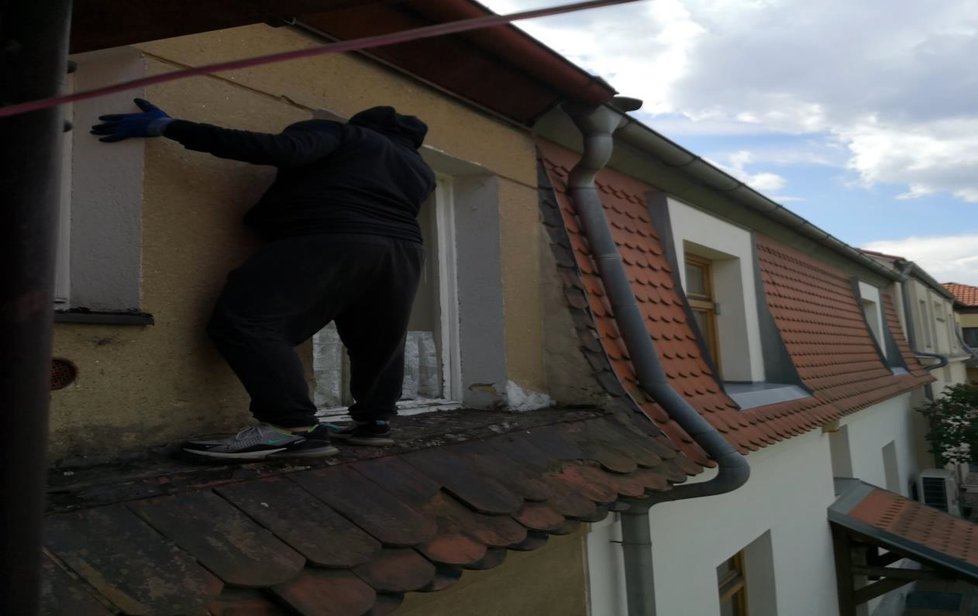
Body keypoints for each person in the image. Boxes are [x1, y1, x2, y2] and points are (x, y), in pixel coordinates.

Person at [92, 99, 435, 460]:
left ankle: (291, 427)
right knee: (378, 338)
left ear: (364, 125)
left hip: (332, 234)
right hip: (404, 252)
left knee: (246, 321)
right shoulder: (420, 169)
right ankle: (374, 422)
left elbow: (276, 149)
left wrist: (169, 126)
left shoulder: (344, 135)